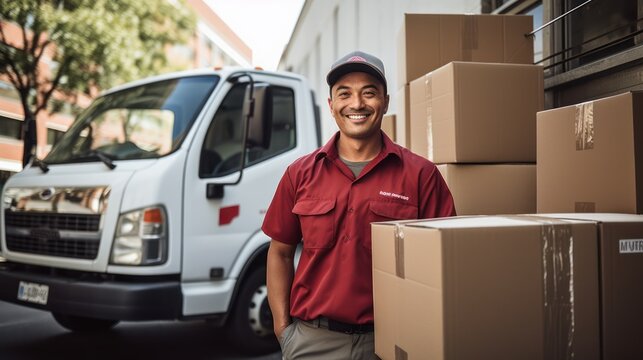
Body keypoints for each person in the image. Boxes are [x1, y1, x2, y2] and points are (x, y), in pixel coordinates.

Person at [262, 50, 456, 359]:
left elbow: (447, 262)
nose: (357, 104)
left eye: (369, 93)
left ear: (386, 102)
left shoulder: (421, 175)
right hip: (312, 341)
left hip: (392, 341)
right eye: (345, 94)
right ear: (331, 105)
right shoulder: (299, 174)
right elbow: (280, 253)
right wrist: (283, 329)